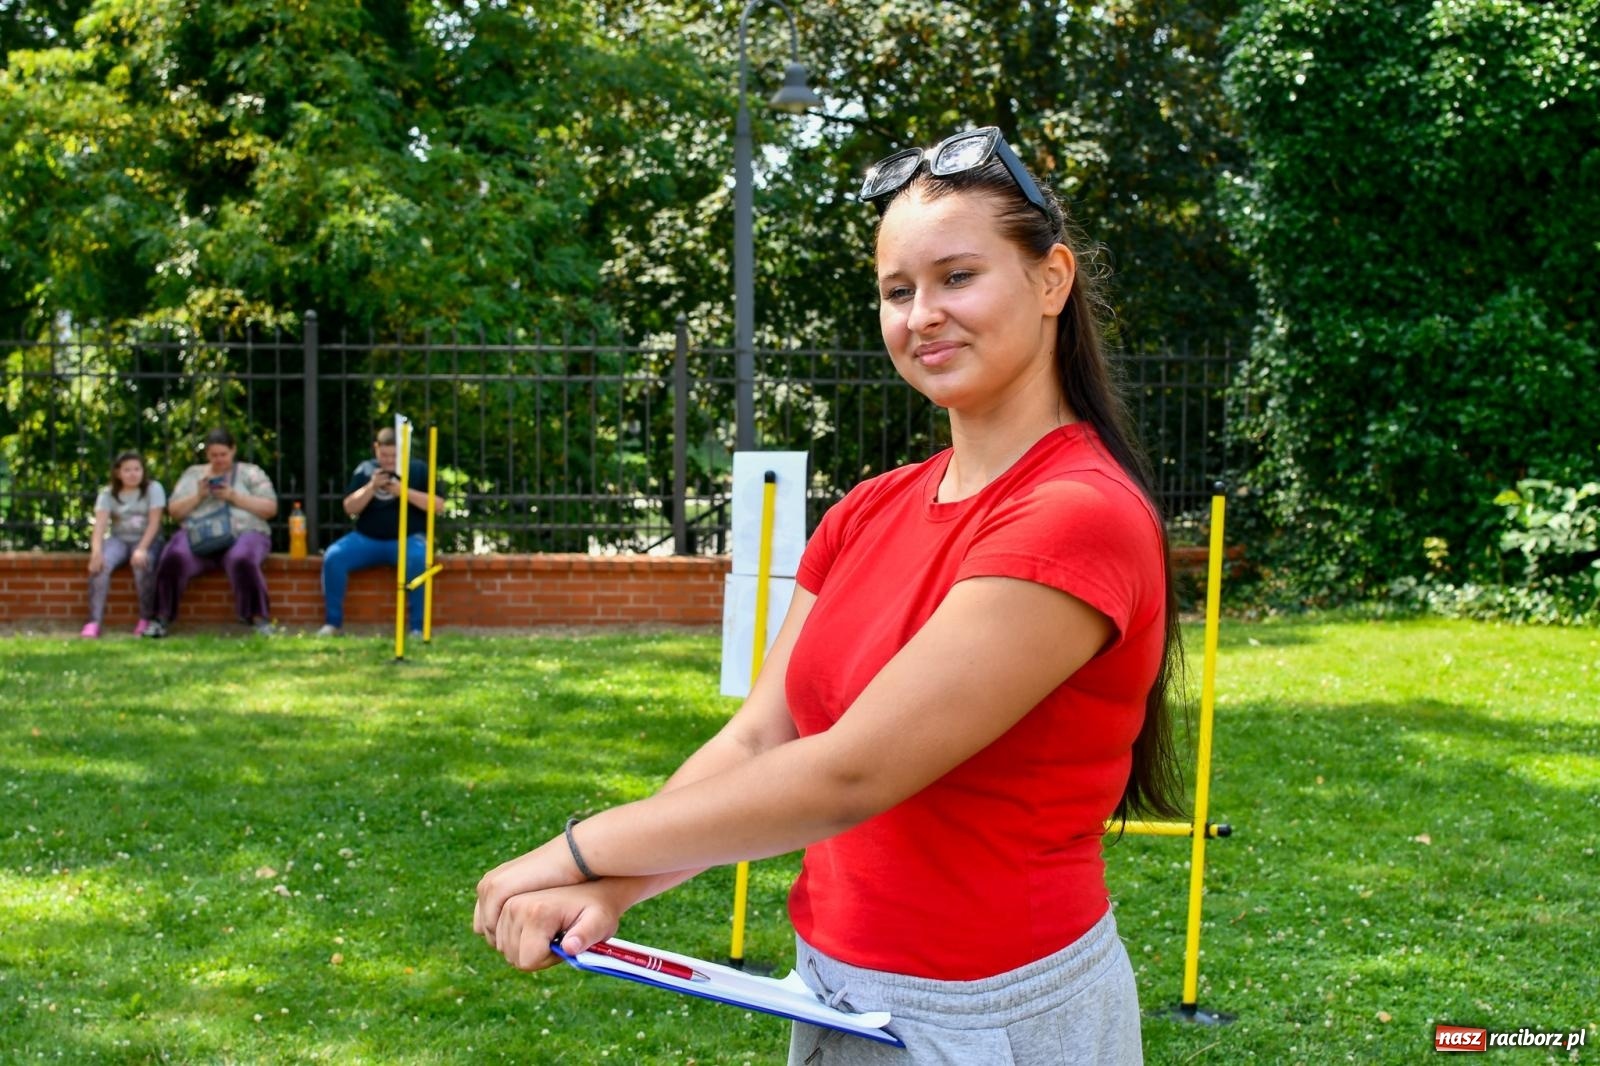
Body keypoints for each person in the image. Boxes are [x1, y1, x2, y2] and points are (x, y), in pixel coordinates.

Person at [472, 126, 1185, 1064]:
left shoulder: (1074, 515)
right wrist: (617, 887)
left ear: (1052, 281)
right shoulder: (869, 510)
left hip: (996, 1020)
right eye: (898, 291)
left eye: (957, 277)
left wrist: (576, 850)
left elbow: (852, 772)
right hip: (837, 993)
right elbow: (762, 738)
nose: (922, 314)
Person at [146, 427, 279, 637]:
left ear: (233, 450)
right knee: (174, 557)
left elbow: (270, 508)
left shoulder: (251, 473)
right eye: (214, 455)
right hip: (198, 535)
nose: (219, 460)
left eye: (223, 455)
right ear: (207, 454)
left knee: (242, 558)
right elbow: (174, 511)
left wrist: (233, 497)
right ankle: (160, 619)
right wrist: (198, 496)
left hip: (243, 533)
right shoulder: (193, 474)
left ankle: (259, 619)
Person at [317, 425, 443, 637]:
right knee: (334, 556)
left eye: (394, 456)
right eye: (384, 455)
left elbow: (438, 505)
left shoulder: (418, 469)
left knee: (418, 559)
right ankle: (333, 623)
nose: (388, 460)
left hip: (408, 539)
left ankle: (417, 628)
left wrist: (403, 492)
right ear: (376, 449)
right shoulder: (366, 469)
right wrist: (371, 487)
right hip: (366, 539)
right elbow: (349, 508)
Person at [82, 450, 167, 637]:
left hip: (146, 539)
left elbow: (155, 523)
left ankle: (145, 618)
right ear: (118, 473)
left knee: (141, 565)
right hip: (119, 539)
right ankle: (93, 622)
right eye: (127, 470)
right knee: (100, 566)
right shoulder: (107, 493)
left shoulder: (154, 489)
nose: (133, 473)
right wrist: (96, 553)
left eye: (137, 469)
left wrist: (142, 549)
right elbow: (100, 526)